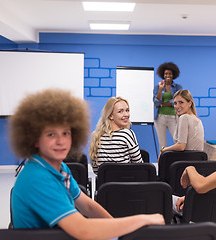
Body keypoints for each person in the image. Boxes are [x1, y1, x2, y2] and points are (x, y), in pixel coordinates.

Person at [10, 89, 164, 240]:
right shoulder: (38, 178)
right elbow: (82, 230)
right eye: (51, 134)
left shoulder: (59, 167)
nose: (60, 141)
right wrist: (142, 220)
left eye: (66, 133)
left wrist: (118, 231)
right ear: (34, 139)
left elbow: (88, 206)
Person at [89, 96, 143, 174]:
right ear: (110, 115)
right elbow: (139, 166)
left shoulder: (96, 136)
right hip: (127, 184)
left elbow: (96, 171)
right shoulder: (127, 134)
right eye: (120, 111)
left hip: (105, 185)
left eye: (127, 110)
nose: (126, 114)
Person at [160, 89, 204, 157]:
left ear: (189, 103)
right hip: (195, 162)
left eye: (181, 102)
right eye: (175, 103)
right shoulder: (197, 120)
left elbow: (181, 146)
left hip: (185, 163)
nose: (177, 106)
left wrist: (163, 149)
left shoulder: (184, 117)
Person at [153, 62, 183, 150]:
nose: (168, 75)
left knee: (178, 141)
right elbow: (156, 102)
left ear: (173, 75)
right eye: (166, 73)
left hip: (173, 117)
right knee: (162, 143)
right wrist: (160, 89)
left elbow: (177, 101)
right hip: (160, 118)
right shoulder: (157, 87)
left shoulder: (178, 87)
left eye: (170, 73)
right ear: (163, 74)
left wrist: (163, 104)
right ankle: (162, 162)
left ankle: (178, 161)